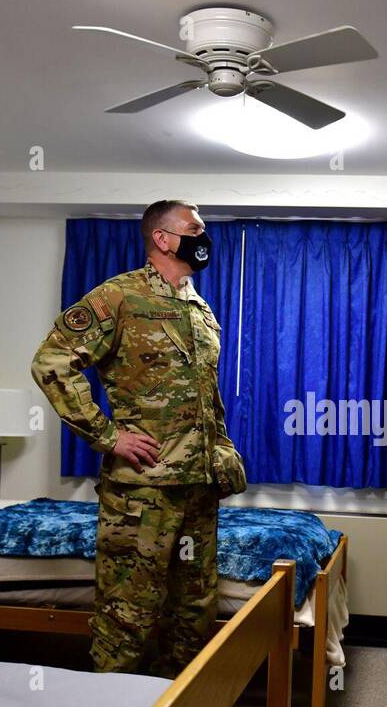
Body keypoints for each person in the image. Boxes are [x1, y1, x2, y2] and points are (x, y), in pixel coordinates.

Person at [30, 200, 245, 677]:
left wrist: (222, 449)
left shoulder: (199, 306)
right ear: (163, 239)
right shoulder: (119, 297)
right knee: (128, 611)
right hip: (143, 491)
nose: (204, 238)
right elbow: (52, 363)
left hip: (198, 486)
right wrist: (108, 435)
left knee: (194, 609)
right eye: (195, 229)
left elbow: (206, 394)